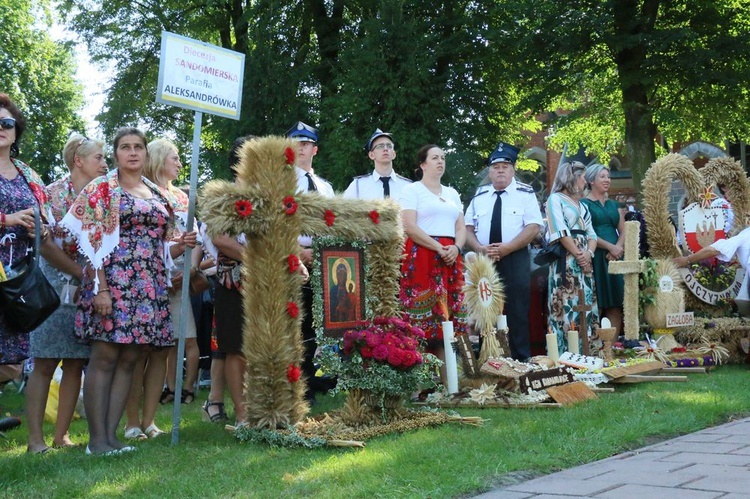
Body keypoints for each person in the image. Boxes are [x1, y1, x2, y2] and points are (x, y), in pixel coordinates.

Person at [61, 127, 196, 455]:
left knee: (131, 357)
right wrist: (101, 289)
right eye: (125, 147)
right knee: (105, 356)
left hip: (148, 286)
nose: (132, 152)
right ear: (116, 154)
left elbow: (161, 242)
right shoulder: (102, 189)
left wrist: (180, 244)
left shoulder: (156, 192)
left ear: (146, 154)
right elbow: (88, 243)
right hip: (114, 283)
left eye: (138, 147)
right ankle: (96, 441)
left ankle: (111, 437)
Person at [25, 134, 107, 453]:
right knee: (45, 362)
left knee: (75, 361)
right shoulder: (52, 194)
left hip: (87, 288)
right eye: (99, 157)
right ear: (79, 161)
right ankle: (35, 440)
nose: (104, 163)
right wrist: (80, 273)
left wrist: (93, 277)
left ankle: (61, 436)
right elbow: (43, 244)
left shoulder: (102, 197)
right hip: (52, 286)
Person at [122, 138, 201, 440]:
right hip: (146, 281)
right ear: (158, 159)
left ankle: (150, 420)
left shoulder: (182, 198)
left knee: (164, 351)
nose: (180, 163)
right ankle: (131, 422)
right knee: (138, 352)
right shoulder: (139, 192)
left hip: (179, 282)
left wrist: (190, 270)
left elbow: (196, 238)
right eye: (175, 158)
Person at [0, 94, 67, 366]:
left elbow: (47, 222)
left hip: (17, 282)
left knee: (9, 361)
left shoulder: (29, 174)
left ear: (16, 132)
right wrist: (7, 219)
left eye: (6, 123)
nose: (0, 128)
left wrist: (42, 232)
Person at [464, 142, 542, 361]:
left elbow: (533, 227)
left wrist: (508, 248)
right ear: (489, 171)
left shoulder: (525, 194)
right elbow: (467, 228)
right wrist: (479, 247)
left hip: (515, 257)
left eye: (505, 166)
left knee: (517, 309)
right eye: (495, 166)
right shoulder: (479, 196)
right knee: (484, 308)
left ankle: (520, 359)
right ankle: (487, 358)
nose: (500, 170)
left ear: (513, 169)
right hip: (484, 260)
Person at [398, 144, 467, 385]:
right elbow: (409, 226)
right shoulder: (412, 190)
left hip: (450, 258)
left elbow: (461, 227)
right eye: (435, 157)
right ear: (423, 164)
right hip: (424, 256)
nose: (441, 161)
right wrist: (439, 248)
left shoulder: (452, 193)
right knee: (423, 319)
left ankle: (450, 382)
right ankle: (422, 383)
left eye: (443, 157)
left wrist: (456, 248)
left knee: (448, 320)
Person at [287, 121, 335, 403]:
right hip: (294, 254)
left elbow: (333, 222)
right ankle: (298, 383)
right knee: (296, 321)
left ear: (314, 149)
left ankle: (314, 378)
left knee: (320, 322)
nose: (301, 148)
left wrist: (325, 253)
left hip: (324, 257)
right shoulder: (282, 180)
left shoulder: (325, 186)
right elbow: (278, 220)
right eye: (296, 143)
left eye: (306, 144)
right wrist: (297, 250)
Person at [208, 135, 254, 425]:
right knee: (236, 348)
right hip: (233, 280)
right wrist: (256, 258)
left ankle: (265, 406)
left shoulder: (270, 194)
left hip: (270, 282)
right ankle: (242, 413)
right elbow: (220, 239)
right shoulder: (221, 195)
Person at [546, 161, 599, 352]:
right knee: (566, 302)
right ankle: (565, 352)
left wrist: (588, 254)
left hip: (584, 262)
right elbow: (559, 231)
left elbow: (592, 234)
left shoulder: (582, 205)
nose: (586, 182)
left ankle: (588, 349)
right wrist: (578, 255)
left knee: (584, 301)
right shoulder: (555, 199)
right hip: (566, 261)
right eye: (584, 178)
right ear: (572, 178)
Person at [580, 164, 625, 336]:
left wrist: (618, 248)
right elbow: (586, 232)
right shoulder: (584, 204)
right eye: (602, 176)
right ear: (591, 180)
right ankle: (595, 347)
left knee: (615, 304)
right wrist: (609, 247)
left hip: (615, 256)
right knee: (596, 304)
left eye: (608, 176)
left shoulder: (614, 205)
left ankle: (610, 350)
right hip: (596, 254)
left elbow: (624, 229)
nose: (607, 180)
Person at [343, 128, 412, 200]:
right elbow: (344, 209)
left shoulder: (407, 186)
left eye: (389, 146)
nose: (385, 149)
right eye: (380, 146)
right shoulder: (358, 185)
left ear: (394, 154)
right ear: (371, 155)